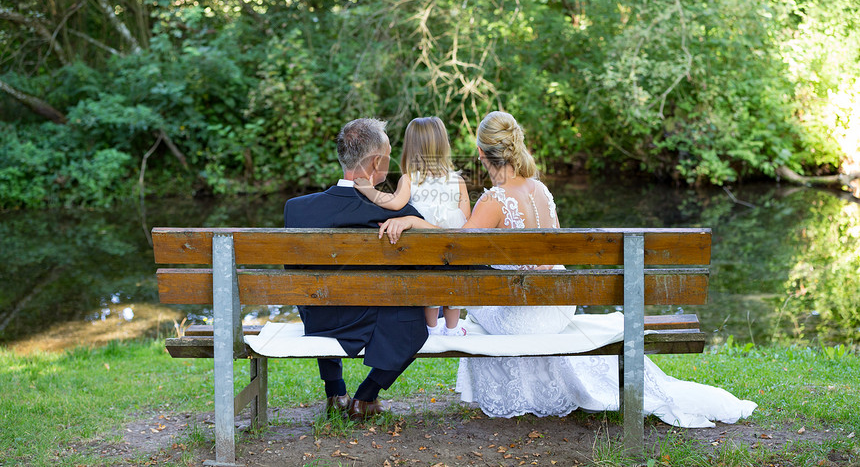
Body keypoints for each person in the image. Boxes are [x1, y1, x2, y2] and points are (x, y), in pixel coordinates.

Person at [377, 110, 757, 428]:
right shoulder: (541, 189)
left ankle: (522, 392)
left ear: (481, 153)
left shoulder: (493, 200)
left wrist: (415, 222)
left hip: (525, 317)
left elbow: (454, 248)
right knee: (490, 296)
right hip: (558, 307)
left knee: (475, 303)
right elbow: (553, 248)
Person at [283, 117, 429, 421]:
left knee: (314, 292)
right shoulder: (396, 210)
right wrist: (414, 222)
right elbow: (442, 249)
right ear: (377, 161)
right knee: (415, 318)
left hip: (319, 316)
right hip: (374, 320)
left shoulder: (297, 209)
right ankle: (366, 396)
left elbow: (294, 271)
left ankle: (335, 391)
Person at [354, 116, 471, 336]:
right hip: (453, 252)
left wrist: (368, 189)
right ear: (444, 145)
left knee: (430, 283)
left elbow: (395, 203)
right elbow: (466, 219)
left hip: (425, 254)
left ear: (411, 147)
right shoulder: (458, 180)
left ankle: (432, 328)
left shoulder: (410, 180)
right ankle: (453, 329)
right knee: (453, 283)